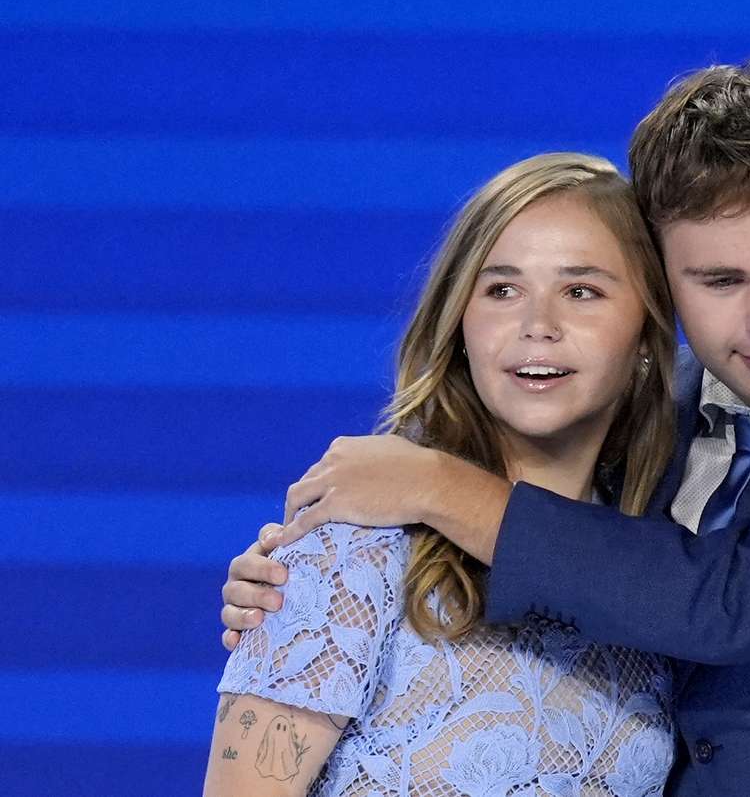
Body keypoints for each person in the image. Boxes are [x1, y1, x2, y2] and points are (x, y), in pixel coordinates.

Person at [222, 60, 750, 796]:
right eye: (719, 280)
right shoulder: (655, 421)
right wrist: (303, 587)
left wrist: (439, 486)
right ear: (664, 282)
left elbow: (735, 602)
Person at [204, 153, 680, 797]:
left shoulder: (660, 576)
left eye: (581, 291)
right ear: (460, 325)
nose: (538, 326)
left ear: (647, 334)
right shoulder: (357, 541)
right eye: (502, 289)